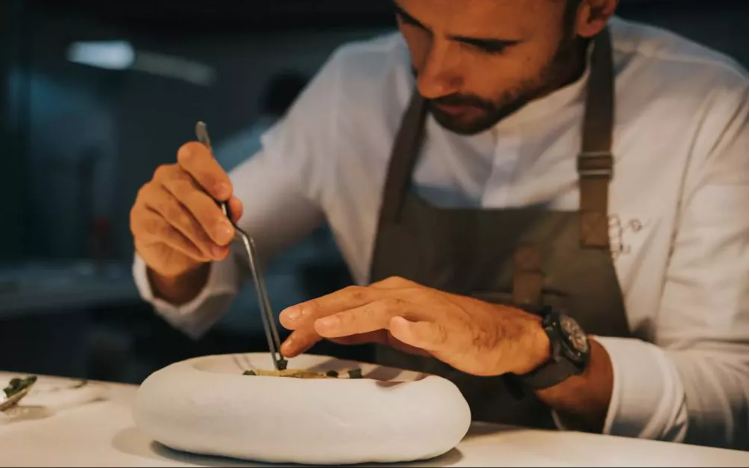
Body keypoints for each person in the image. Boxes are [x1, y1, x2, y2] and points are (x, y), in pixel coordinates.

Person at [129, 0, 748, 448]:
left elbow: (730, 396)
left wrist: (535, 345)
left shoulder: (706, 107)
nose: (431, 78)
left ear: (592, 11)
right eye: (412, 24)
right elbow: (203, 287)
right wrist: (177, 243)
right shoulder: (356, 88)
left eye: (488, 46)